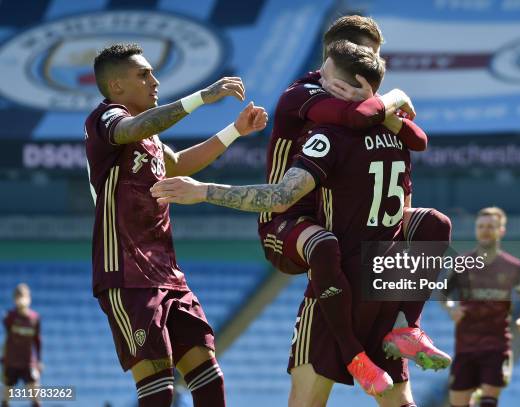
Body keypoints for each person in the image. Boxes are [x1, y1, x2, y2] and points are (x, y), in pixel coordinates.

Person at [152, 39, 424, 407]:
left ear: (349, 83)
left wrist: (203, 191)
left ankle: (355, 350)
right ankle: (409, 325)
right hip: (388, 277)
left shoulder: (329, 134)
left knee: (307, 399)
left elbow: (281, 197)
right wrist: (391, 99)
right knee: (399, 400)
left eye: (326, 75)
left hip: (338, 278)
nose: (317, 80)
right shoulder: (397, 133)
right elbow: (415, 152)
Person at [85, 43, 267, 407]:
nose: (155, 81)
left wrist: (234, 130)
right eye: (143, 74)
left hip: (168, 273)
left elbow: (178, 163)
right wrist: (203, 96)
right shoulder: (105, 119)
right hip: (126, 274)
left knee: (209, 377)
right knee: (159, 386)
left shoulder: (148, 136)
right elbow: (134, 126)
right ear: (117, 86)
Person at [444, 207, 520, 407]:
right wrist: (452, 308)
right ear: (476, 230)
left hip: (496, 346)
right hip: (465, 346)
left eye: (490, 226)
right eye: (481, 226)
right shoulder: (462, 263)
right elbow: (443, 293)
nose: (485, 230)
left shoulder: (513, 266)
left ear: (501, 230)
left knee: (488, 402)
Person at [2, 284, 42, 407]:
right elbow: (7, 338)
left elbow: (37, 340)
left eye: (23, 296)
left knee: (36, 401)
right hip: (11, 363)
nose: (21, 299)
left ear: (29, 298)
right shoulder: (9, 317)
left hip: (28, 363)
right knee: (5, 401)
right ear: (14, 299)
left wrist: (39, 361)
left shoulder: (35, 318)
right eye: (18, 296)